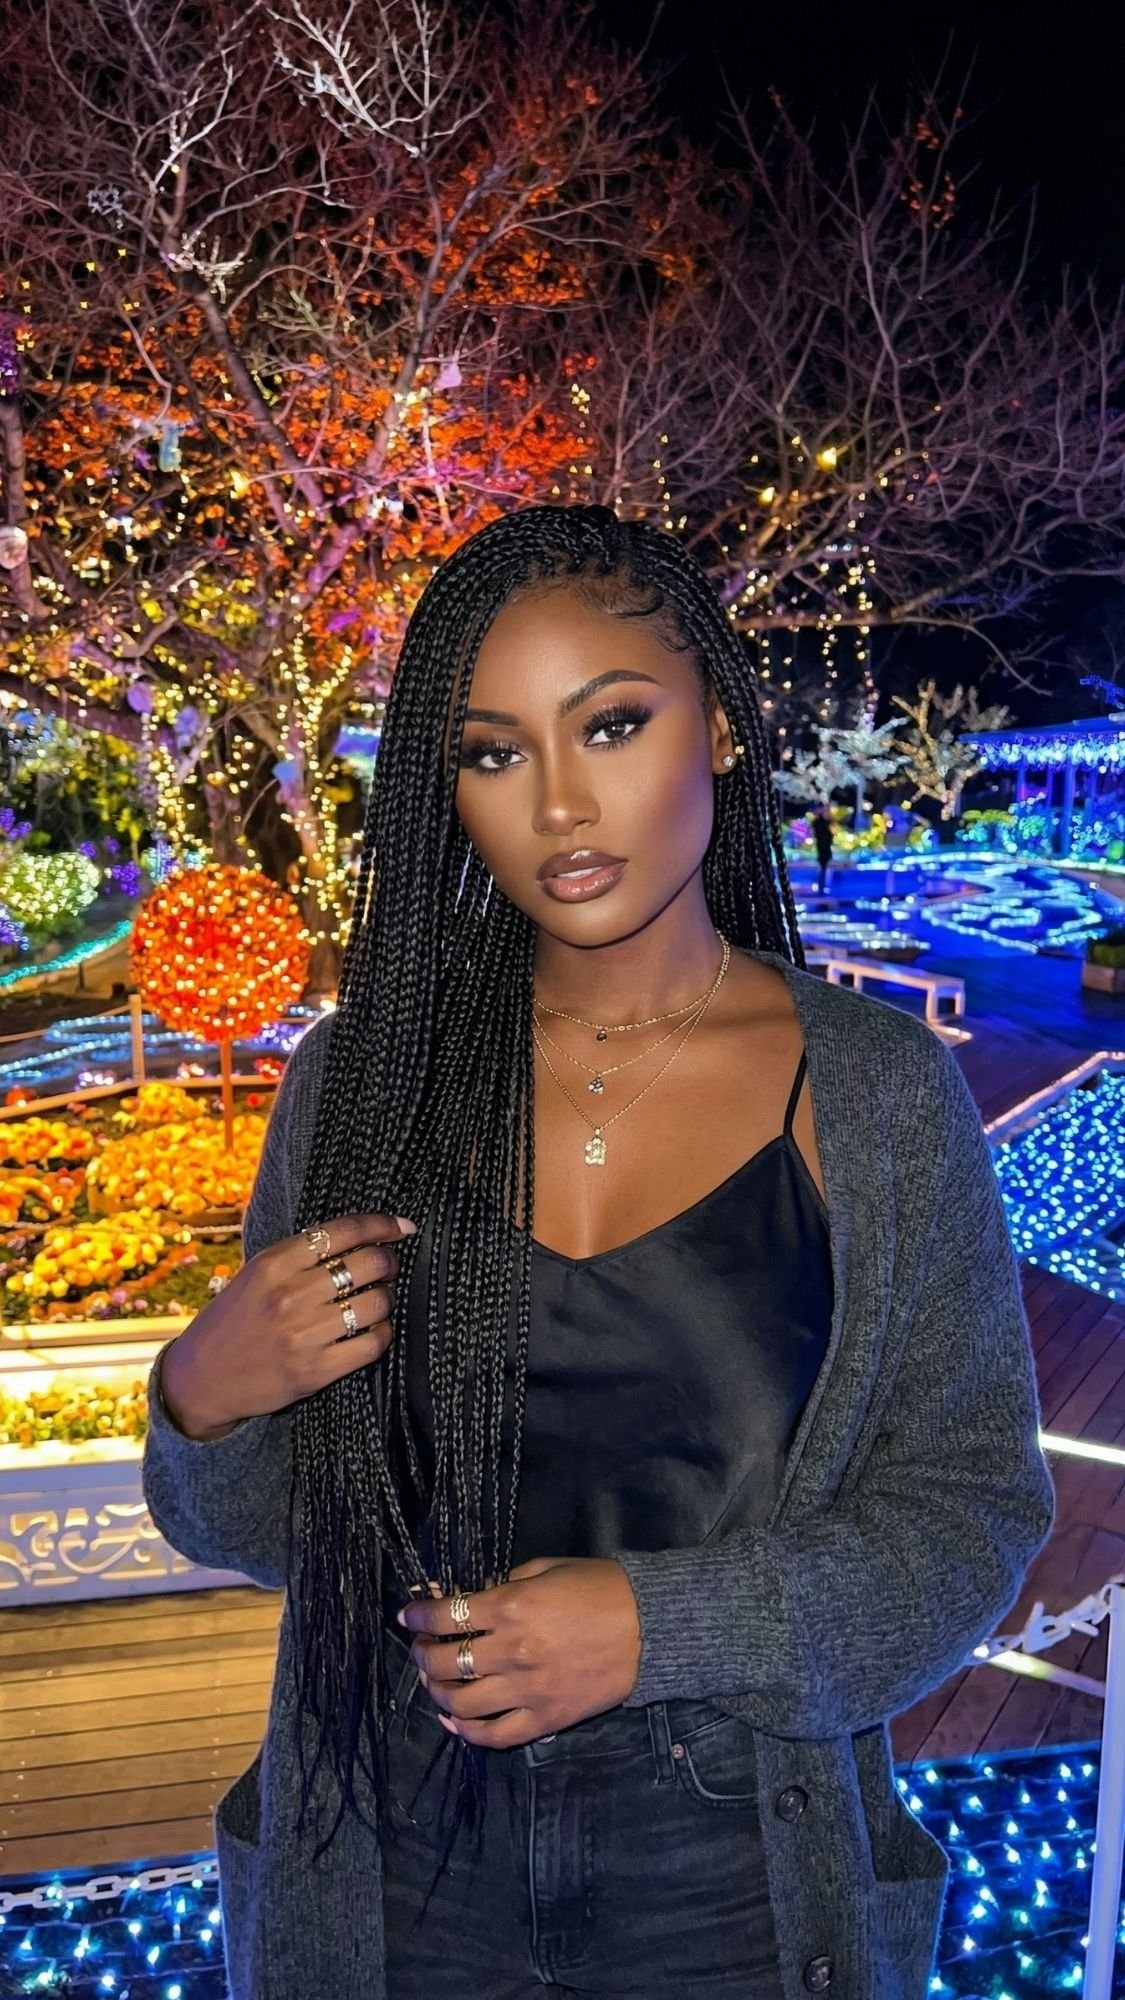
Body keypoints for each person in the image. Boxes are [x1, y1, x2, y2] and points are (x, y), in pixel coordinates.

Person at [143, 504, 1054, 2000]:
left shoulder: (876, 1095)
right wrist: (206, 1396)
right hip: (383, 1881)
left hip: (737, 1890)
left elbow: (969, 1516)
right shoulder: (360, 1082)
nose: (560, 805)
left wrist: (654, 1625)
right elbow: (263, 1534)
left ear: (722, 728)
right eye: (493, 752)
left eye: (612, 724)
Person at [811, 805, 834, 895]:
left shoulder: (822, 823)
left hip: (823, 850)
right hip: (823, 850)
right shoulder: (820, 824)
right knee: (823, 869)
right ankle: (821, 887)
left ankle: (822, 886)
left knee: (823, 869)